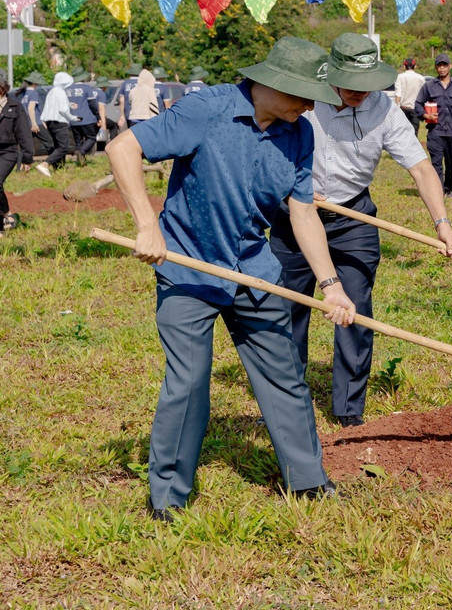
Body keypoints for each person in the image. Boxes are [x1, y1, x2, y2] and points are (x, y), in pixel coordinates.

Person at [106, 36, 357, 520]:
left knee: (284, 375)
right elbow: (123, 148)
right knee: (189, 381)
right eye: (303, 94)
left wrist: (331, 285)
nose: (309, 105)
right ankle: (169, 499)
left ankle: (307, 482)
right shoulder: (209, 109)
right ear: (270, 83)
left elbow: (302, 214)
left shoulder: (300, 133)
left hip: (253, 270)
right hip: (188, 267)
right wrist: (146, 224)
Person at [271, 35, 452, 427]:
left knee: (353, 308)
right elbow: (267, 147)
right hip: (294, 214)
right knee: (287, 311)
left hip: (352, 219)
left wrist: (443, 224)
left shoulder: (384, 110)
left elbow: (421, 167)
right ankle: (284, 405)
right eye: (352, 84)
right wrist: (289, 181)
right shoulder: (304, 102)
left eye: (368, 84)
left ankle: (349, 411)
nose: (361, 93)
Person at [414, 53, 452, 198]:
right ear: (436, 67)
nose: (442, 68)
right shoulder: (429, 86)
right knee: (436, 164)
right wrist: (426, 115)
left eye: (444, 65)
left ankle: (449, 188)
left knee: (451, 163)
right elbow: (417, 104)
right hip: (435, 132)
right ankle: (438, 190)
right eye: (439, 65)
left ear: (450, 66)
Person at [0, 76, 33, 231]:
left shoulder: (15, 106)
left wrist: (27, 158)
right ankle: (6, 214)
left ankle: (6, 214)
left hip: (8, 151)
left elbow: (24, 133)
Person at [36, 72, 79, 177]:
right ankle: (45, 164)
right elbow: (63, 110)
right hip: (59, 122)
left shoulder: (52, 91)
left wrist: (69, 104)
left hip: (51, 122)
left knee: (58, 146)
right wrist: (73, 118)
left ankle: (59, 168)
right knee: (63, 147)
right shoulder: (60, 92)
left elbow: (54, 105)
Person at [67, 68, 105, 164]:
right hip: (86, 119)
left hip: (73, 120)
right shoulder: (87, 88)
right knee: (91, 138)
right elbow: (92, 104)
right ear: (83, 78)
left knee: (78, 141)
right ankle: (81, 152)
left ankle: (81, 162)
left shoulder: (67, 89)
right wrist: (98, 117)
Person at [19, 71, 50, 167]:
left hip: (24, 124)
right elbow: (31, 109)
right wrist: (34, 123)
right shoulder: (34, 93)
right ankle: (53, 163)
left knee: (25, 147)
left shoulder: (22, 93)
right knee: (49, 142)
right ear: (35, 83)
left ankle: (20, 167)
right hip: (35, 123)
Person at [394, 58, 426, 137]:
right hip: (415, 109)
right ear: (415, 66)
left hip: (403, 109)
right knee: (414, 134)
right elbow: (424, 95)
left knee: (402, 134)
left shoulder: (399, 77)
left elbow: (398, 94)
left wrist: (395, 108)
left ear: (404, 66)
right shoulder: (421, 78)